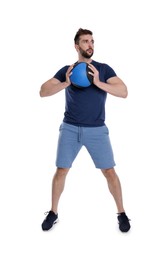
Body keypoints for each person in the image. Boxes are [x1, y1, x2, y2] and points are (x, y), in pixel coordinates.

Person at [40, 28, 131, 232]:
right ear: (76, 46)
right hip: (70, 129)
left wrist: (98, 82)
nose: (90, 45)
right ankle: (53, 212)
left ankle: (122, 213)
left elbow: (123, 91)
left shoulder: (104, 69)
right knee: (61, 170)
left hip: (97, 130)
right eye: (85, 41)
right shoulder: (68, 70)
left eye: (92, 41)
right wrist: (65, 81)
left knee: (109, 171)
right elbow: (43, 91)